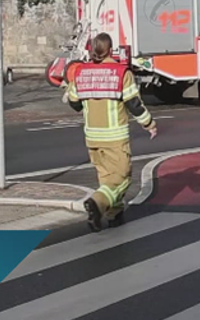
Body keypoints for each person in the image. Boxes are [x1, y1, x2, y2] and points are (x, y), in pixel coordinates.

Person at [64, 33, 157, 231]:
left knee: (107, 179)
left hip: (92, 138)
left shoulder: (80, 72)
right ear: (110, 50)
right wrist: (149, 123)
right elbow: (134, 104)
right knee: (122, 178)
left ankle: (114, 215)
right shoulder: (121, 73)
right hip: (115, 137)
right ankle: (97, 203)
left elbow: (73, 103)